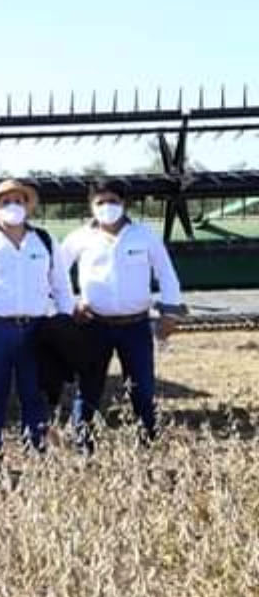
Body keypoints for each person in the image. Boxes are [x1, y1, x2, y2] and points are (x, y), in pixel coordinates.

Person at [60, 178, 184, 443]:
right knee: (89, 389)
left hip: (136, 326)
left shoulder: (145, 235)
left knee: (142, 389)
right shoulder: (79, 238)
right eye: (100, 202)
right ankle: (82, 445)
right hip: (93, 325)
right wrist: (70, 305)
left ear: (124, 203)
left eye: (113, 201)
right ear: (91, 205)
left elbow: (166, 274)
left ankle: (147, 443)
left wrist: (170, 313)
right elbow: (54, 274)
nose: (107, 207)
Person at [0, 179, 74, 457]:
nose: (13, 206)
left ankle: (36, 446)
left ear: (27, 207)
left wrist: (65, 322)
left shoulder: (45, 241)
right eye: (5, 202)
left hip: (35, 328)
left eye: (18, 201)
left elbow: (61, 284)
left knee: (33, 392)